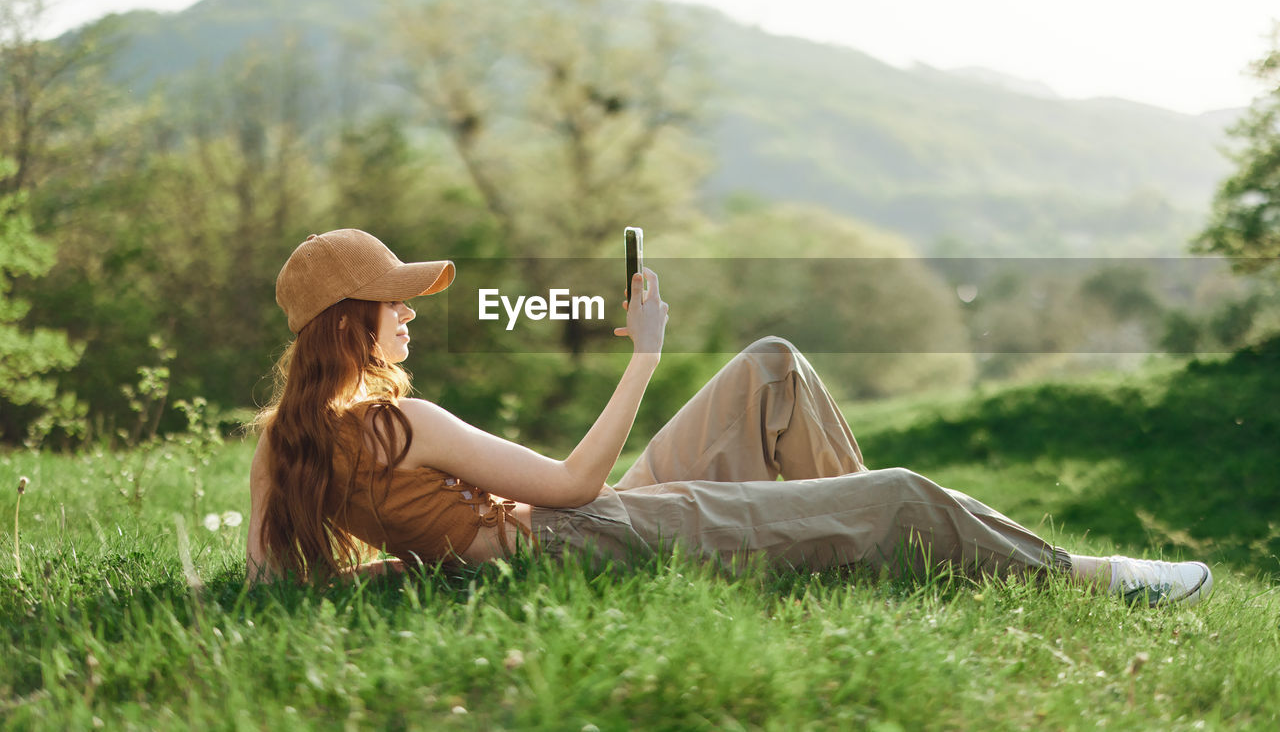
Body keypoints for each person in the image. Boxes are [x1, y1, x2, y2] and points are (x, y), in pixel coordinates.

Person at [247, 229, 1214, 608]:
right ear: (351, 321)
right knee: (901, 498)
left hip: (564, 535)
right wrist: (646, 355)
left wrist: (423, 554)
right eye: (395, 301)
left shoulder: (287, 441)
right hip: (589, 535)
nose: (410, 312)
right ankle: (1090, 578)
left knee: (771, 369)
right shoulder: (402, 422)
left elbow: (270, 574)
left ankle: (856, 546)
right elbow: (578, 488)